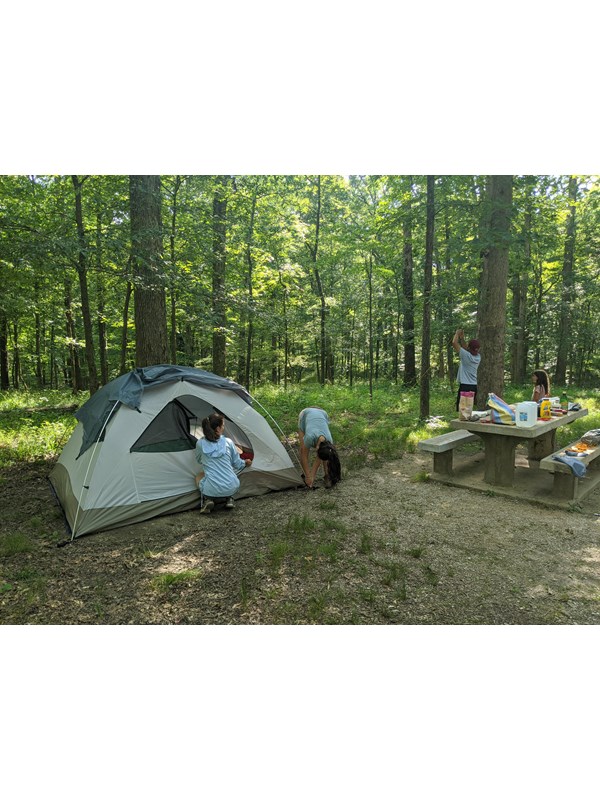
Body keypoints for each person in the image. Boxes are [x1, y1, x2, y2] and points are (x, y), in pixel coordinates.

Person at [195, 413, 252, 514]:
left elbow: (199, 460)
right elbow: (237, 463)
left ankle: (208, 499)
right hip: (232, 486)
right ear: (218, 428)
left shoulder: (200, 444)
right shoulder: (228, 442)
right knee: (229, 474)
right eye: (223, 425)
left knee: (199, 476)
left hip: (211, 489)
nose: (223, 428)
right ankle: (229, 499)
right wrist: (245, 463)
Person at [298, 407, 341, 489]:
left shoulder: (329, 441)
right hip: (305, 413)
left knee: (326, 454)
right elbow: (303, 455)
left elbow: (320, 457)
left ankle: (327, 475)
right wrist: (309, 476)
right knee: (303, 448)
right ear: (317, 448)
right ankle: (305, 474)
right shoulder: (309, 437)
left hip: (322, 413)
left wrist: (313, 476)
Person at [452, 328, 481, 411]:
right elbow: (466, 348)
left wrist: (457, 334)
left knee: (463, 410)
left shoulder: (466, 355)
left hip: (465, 386)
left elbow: (454, 343)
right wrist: (462, 339)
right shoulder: (478, 357)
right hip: (474, 386)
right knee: (468, 409)